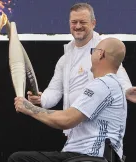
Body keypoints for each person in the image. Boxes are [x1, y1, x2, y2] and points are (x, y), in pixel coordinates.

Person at [8, 37, 128, 162]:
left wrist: (29, 109)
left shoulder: (102, 86)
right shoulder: (112, 86)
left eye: (93, 51)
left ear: (100, 54)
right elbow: (66, 114)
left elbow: (66, 120)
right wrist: (34, 106)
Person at [28, 3, 136, 136]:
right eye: (74, 22)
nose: (78, 26)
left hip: (98, 132)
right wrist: (42, 99)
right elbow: (55, 90)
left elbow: (117, 72)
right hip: (74, 132)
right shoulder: (65, 59)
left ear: (93, 23)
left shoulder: (102, 50)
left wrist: (127, 90)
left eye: (83, 22)